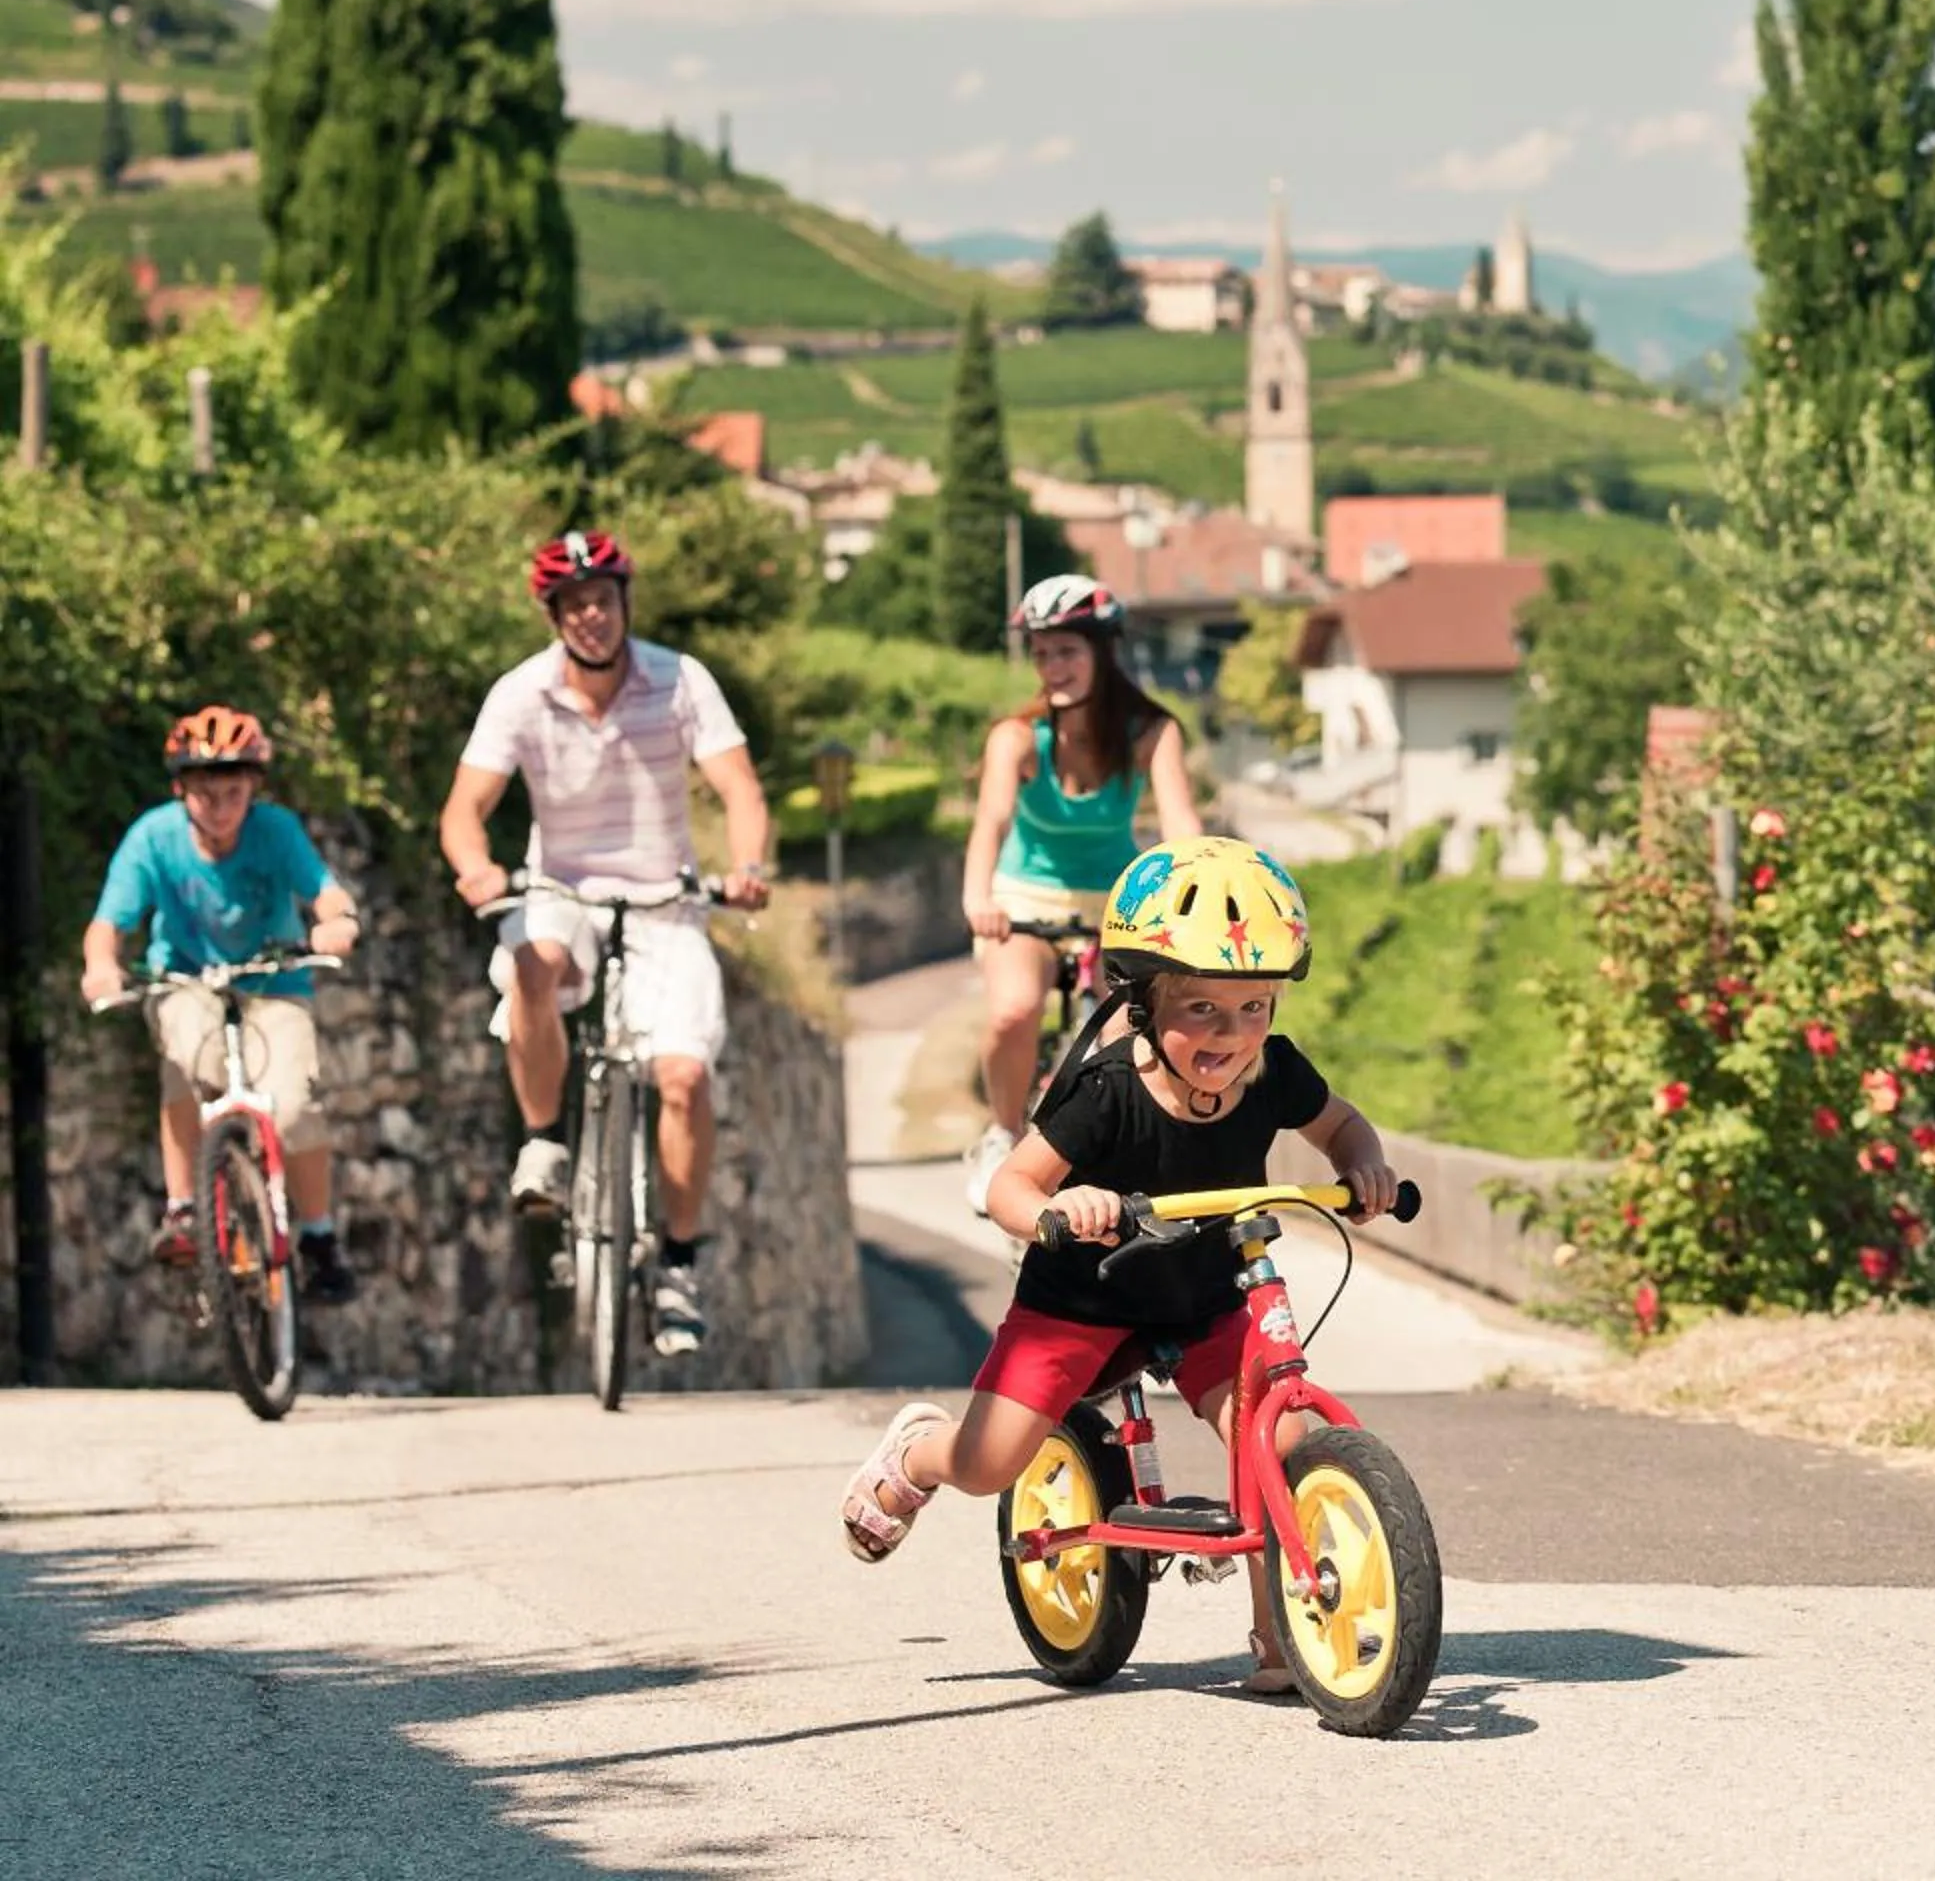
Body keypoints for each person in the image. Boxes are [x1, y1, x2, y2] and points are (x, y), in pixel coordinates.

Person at [839, 836, 1397, 1695]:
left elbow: (1343, 1126)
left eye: (1254, 1007)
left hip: (1209, 1292)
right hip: (1083, 1298)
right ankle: (918, 1455)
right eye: (1203, 1009)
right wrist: (1059, 1211)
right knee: (992, 1463)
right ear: (1143, 1003)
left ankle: (1281, 1631)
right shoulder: (1106, 1092)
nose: (1233, 1033)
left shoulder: (1274, 1073)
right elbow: (1009, 1186)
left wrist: (1364, 1167)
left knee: (1279, 1437)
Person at [437, 529, 773, 1359]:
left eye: (603, 600)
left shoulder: (680, 678)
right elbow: (463, 810)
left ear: (624, 604)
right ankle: (546, 1141)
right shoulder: (520, 693)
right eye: (574, 604)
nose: (591, 616)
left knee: (684, 1075)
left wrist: (749, 864)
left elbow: (737, 785)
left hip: (666, 898)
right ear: (553, 615)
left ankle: (680, 1267)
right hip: (561, 893)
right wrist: (476, 869)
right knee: (529, 969)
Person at [79, 707, 365, 1303]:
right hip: (186, 980)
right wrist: (101, 966)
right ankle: (186, 1209)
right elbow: (109, 924)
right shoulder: (152, 839)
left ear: (253, 789)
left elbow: (326, 894)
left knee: (294, 1106)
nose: (219, 806)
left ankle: (317, 1236)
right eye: (204, 793)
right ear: (180, 790)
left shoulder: (276, 831)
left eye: (233, 792)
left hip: (273, 983)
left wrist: (336, 924)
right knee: (185, 1063)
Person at [961, 574, 1201, 1145]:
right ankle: (1002, 1135)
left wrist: (1193, 900)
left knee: (1128, 1035)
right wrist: (979, 898)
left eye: (1067, 651)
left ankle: (1115, 1146)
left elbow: (1181, 828)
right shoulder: (1017, 738)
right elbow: (991, 819)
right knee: (1013, 1012)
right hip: (1024, 899)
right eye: (1042, 655)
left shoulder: (1152, 731)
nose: (1053, 668)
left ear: (1103, 652)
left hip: (1119, 902)